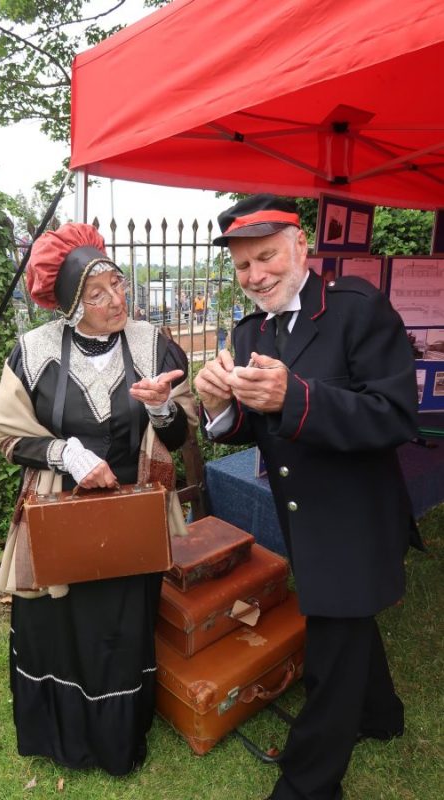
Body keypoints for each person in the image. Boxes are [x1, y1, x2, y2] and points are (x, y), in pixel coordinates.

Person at [194, 194, 423, 800]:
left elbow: (397, 415)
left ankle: (307, 783)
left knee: (331, 649)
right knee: (344, 619)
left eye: (266, 257)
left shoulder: (356, 309)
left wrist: (294, 398)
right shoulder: (251, 332)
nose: (256, 276)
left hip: (356, 518)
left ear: (301, 247)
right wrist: (219, 406)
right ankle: (381, 715)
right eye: (243, 267)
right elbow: (250, 426)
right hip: (303, 519)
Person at [0, 223, 196, 776]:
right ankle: (60, 730)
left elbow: (179, 436)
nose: (116, 301)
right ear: (71, 304)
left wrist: (160, 409)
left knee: (124, 624)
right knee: (55, 621)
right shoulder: (32, 353)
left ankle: (117, 738)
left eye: (119, 286)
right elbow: (7, 433)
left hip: (134, 516)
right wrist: (65, 454)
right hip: (62, 516)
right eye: (97, 293)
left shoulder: (154, 345)